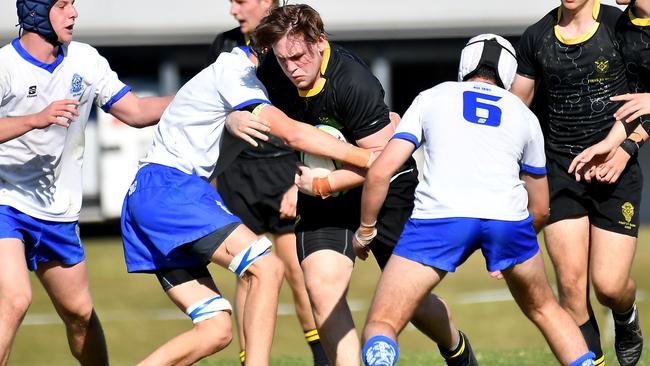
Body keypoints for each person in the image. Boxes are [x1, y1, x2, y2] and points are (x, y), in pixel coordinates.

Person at [120, 41, 377, 365]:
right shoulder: (238, 71)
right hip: (170, 187)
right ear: (269, 53)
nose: (293, 68)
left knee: (215, 330)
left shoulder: (241, 77)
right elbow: (292, 134)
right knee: (267, 268)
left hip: (149, 196)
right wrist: (370, 159)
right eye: (287, 59)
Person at [250, 5, 476, 365]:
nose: (291, 68)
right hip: (325, 200)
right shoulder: (271, 75)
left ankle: (456, 349)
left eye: (297, 56)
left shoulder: (354, 82)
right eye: (282, 59)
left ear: (320, 42)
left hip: (387, 191)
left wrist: (325, 183)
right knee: (322, 288)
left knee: (411, 303)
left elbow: (384, 161)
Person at [357, 33, 596, 366]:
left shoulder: (433, 96)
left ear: (464, 65)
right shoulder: (524, 116)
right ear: (509, 75)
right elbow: (540, 207)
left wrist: (366, 228)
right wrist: (515, 247)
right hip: (507, 222)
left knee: (381, 323)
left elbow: (380, 172)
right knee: (546, 309)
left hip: (440, 218)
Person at [0, 0, 173, 365]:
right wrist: (35, 119)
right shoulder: (5, 66)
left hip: (57, 211)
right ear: (35, 12)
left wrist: (201, 98)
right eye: (63, 5)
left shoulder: (86, 60)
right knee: (15, 300)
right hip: (6, 202)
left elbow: (137, 113)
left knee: (80, 315)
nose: (74, 14)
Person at [510, 1, 643, 365]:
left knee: (610, 286)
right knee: (570, 287)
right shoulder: (536, 36)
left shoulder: (622, 28)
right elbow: (514, 110)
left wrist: (625, 150)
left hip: (616, 169)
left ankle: (626, 312)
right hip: (561, 172)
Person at [207, 1, 329, 365]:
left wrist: (299, 178)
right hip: (238, 173)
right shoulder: (223, 45)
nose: (233, 9)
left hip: (283, 169)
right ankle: (251, 359)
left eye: (241, 1)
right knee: (250, 270)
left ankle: (322, 357)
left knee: (296, 267)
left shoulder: (294, 42)